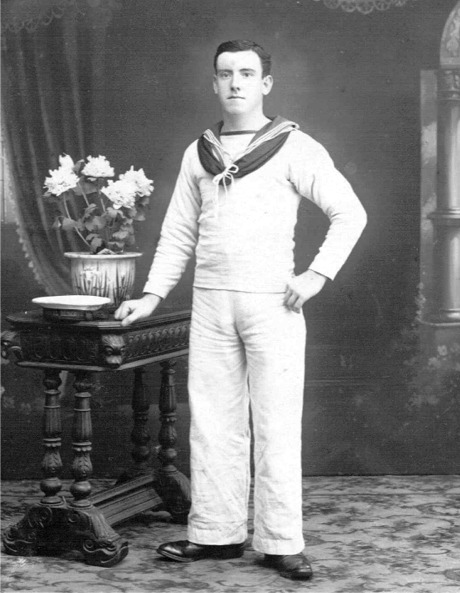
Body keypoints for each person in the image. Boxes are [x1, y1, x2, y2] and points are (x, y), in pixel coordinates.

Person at [114, 39, 367, 581]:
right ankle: (215, 534)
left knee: (276, 424)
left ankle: (281, 542)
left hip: (272, 302)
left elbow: (350, 213)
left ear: (265, 84)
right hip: (210, 302)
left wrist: (316, 276)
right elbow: (178, 233)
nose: (235, 83)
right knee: (212, 423)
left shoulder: (296, 146)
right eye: (226, 74)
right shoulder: (198, 153)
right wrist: (152, 296)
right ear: (213, 83)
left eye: (247, 74)